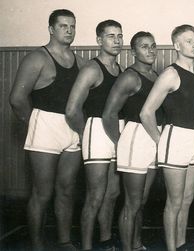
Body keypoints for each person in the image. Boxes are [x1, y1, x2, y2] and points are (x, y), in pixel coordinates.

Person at [9, 9, 85, 251]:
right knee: (42, 191)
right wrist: (33, 123)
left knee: (67, 188)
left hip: (71, 126)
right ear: (51, 29)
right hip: (44, 125)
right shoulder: (37, 58)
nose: (69, 30)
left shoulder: (79, 61)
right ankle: (37, 244)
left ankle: (63, 240)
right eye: (63, 26)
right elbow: (17, 98)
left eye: (72, 26)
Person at [140, 24, 194, 251]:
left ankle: (182, 244)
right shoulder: (170, 74)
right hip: (175, 139)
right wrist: (162, 141)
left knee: (187, 199)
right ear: (177, 45)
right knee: (174, 202)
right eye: (189, 40)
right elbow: (146, 112)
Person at [65, 20, 123, 251]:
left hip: (117, 129)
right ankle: (87, 246)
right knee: (96, 194)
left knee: (113, 192)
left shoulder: (119, 70)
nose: (117, 40)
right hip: (97, 131)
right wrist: (86, 131)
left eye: (119, 36)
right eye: (110, 36)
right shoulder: (91, 68)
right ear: (99, 40)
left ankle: (106, 239)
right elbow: (72, 109)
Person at [102, 31, 162, 251]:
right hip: (135, 138)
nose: (151, 50)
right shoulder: (129, 77)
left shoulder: (156, 76)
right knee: (132, 203)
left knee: (142, 202)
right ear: (133, 51)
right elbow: (109, 114)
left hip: (153, 139)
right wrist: (122, 144)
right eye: (144, 46)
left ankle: (137, 245)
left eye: (153, 45)